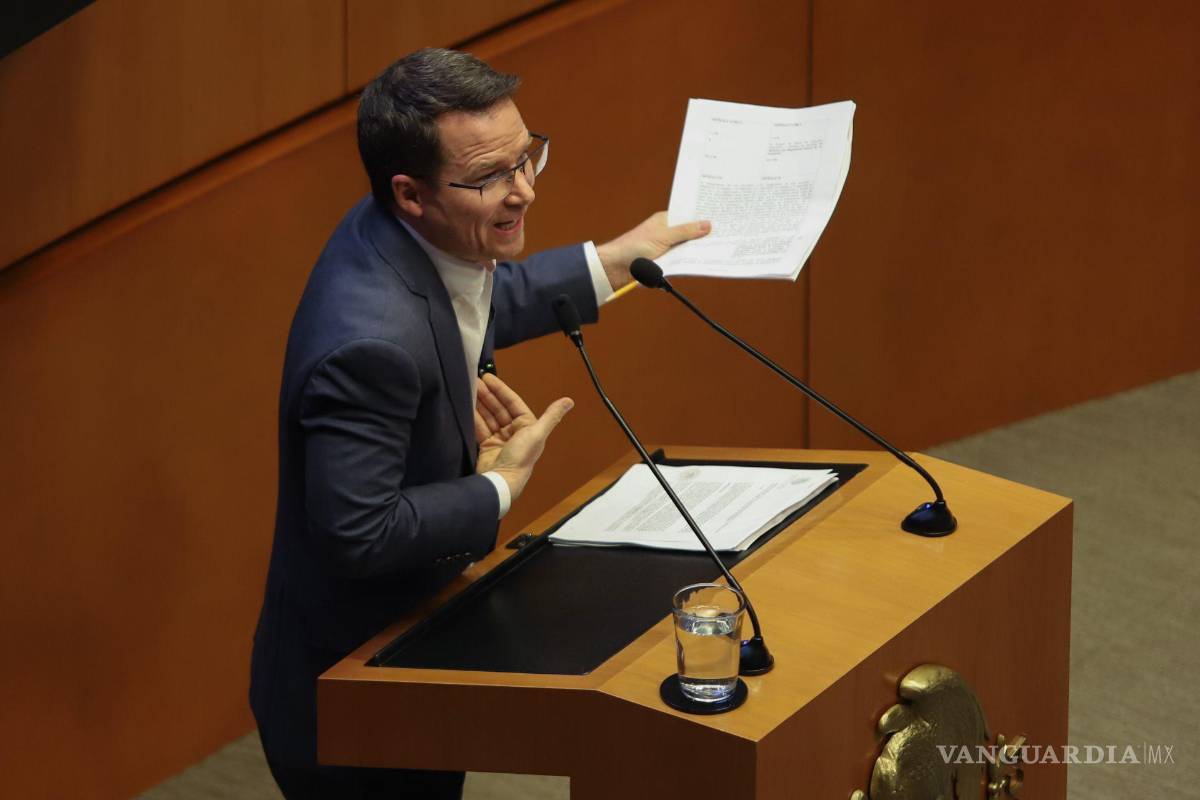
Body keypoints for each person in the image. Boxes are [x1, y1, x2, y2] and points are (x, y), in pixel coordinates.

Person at [249, 47, 709, 798]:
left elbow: (476, 292)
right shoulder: (369, 340)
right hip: (352, 701)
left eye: (528, 157)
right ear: (410, 193)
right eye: (492, 176)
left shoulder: (407, 233)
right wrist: (499, 486)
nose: (525, 189)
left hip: (416, 644)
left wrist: (615, 261)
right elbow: (356, 531)